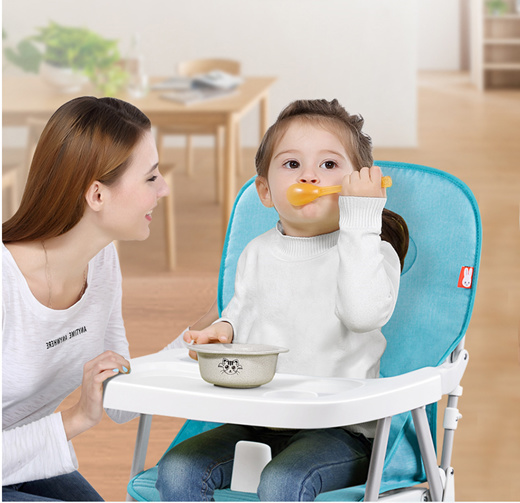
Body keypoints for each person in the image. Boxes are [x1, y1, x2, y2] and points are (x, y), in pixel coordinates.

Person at [156, 98, 409, 501]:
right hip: (259, 418)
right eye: (292, 165)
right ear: (265, 190)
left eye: (329, 165)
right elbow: (243, 310)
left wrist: (362, 217)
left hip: (339, 428)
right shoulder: (256, 252)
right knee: (178, 469)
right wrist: (223, 330)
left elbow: (362, 315)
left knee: (282, 482)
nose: (310, 176)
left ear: (358, 183)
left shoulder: (371, 252)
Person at [2, 96, 169, 501]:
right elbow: (92, 412)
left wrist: (196, 340)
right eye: (150, 178)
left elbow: (120, 403)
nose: (164, 189)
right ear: (97, 195)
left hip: (20, 457)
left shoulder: (101, 259)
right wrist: (76, 418)